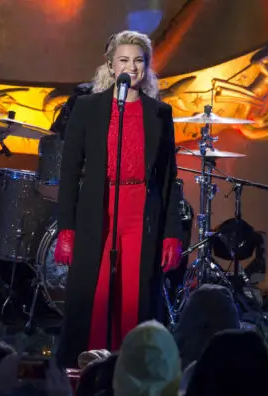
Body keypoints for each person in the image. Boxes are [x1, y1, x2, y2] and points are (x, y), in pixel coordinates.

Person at [54, 29, 183, 367]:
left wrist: (172, 232)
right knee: (95, 292)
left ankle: (132, 363)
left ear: (148, 67)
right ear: (111, 66)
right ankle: (88, 366)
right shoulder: (88, 109)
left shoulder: (160, 113)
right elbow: (69, 173)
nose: (132, 67)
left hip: (141, 209)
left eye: (139, 61)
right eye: (124, 60)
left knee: (134, 293)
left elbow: (169, 178)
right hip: (100, 206)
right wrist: (66, 228)